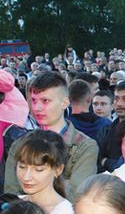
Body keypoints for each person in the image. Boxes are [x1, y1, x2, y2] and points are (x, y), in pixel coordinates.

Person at [5, 72, 99, 200]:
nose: (37, 107)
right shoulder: (19, 143)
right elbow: (11, 195)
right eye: (33, 100)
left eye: (45, 101)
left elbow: (77, 196)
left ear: (65, 103)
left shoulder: (85, 146)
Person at [14, 130, 76, 214]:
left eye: (38, 169)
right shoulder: (12, 202)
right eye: (22, 167)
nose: (27, 177)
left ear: (58, 169)